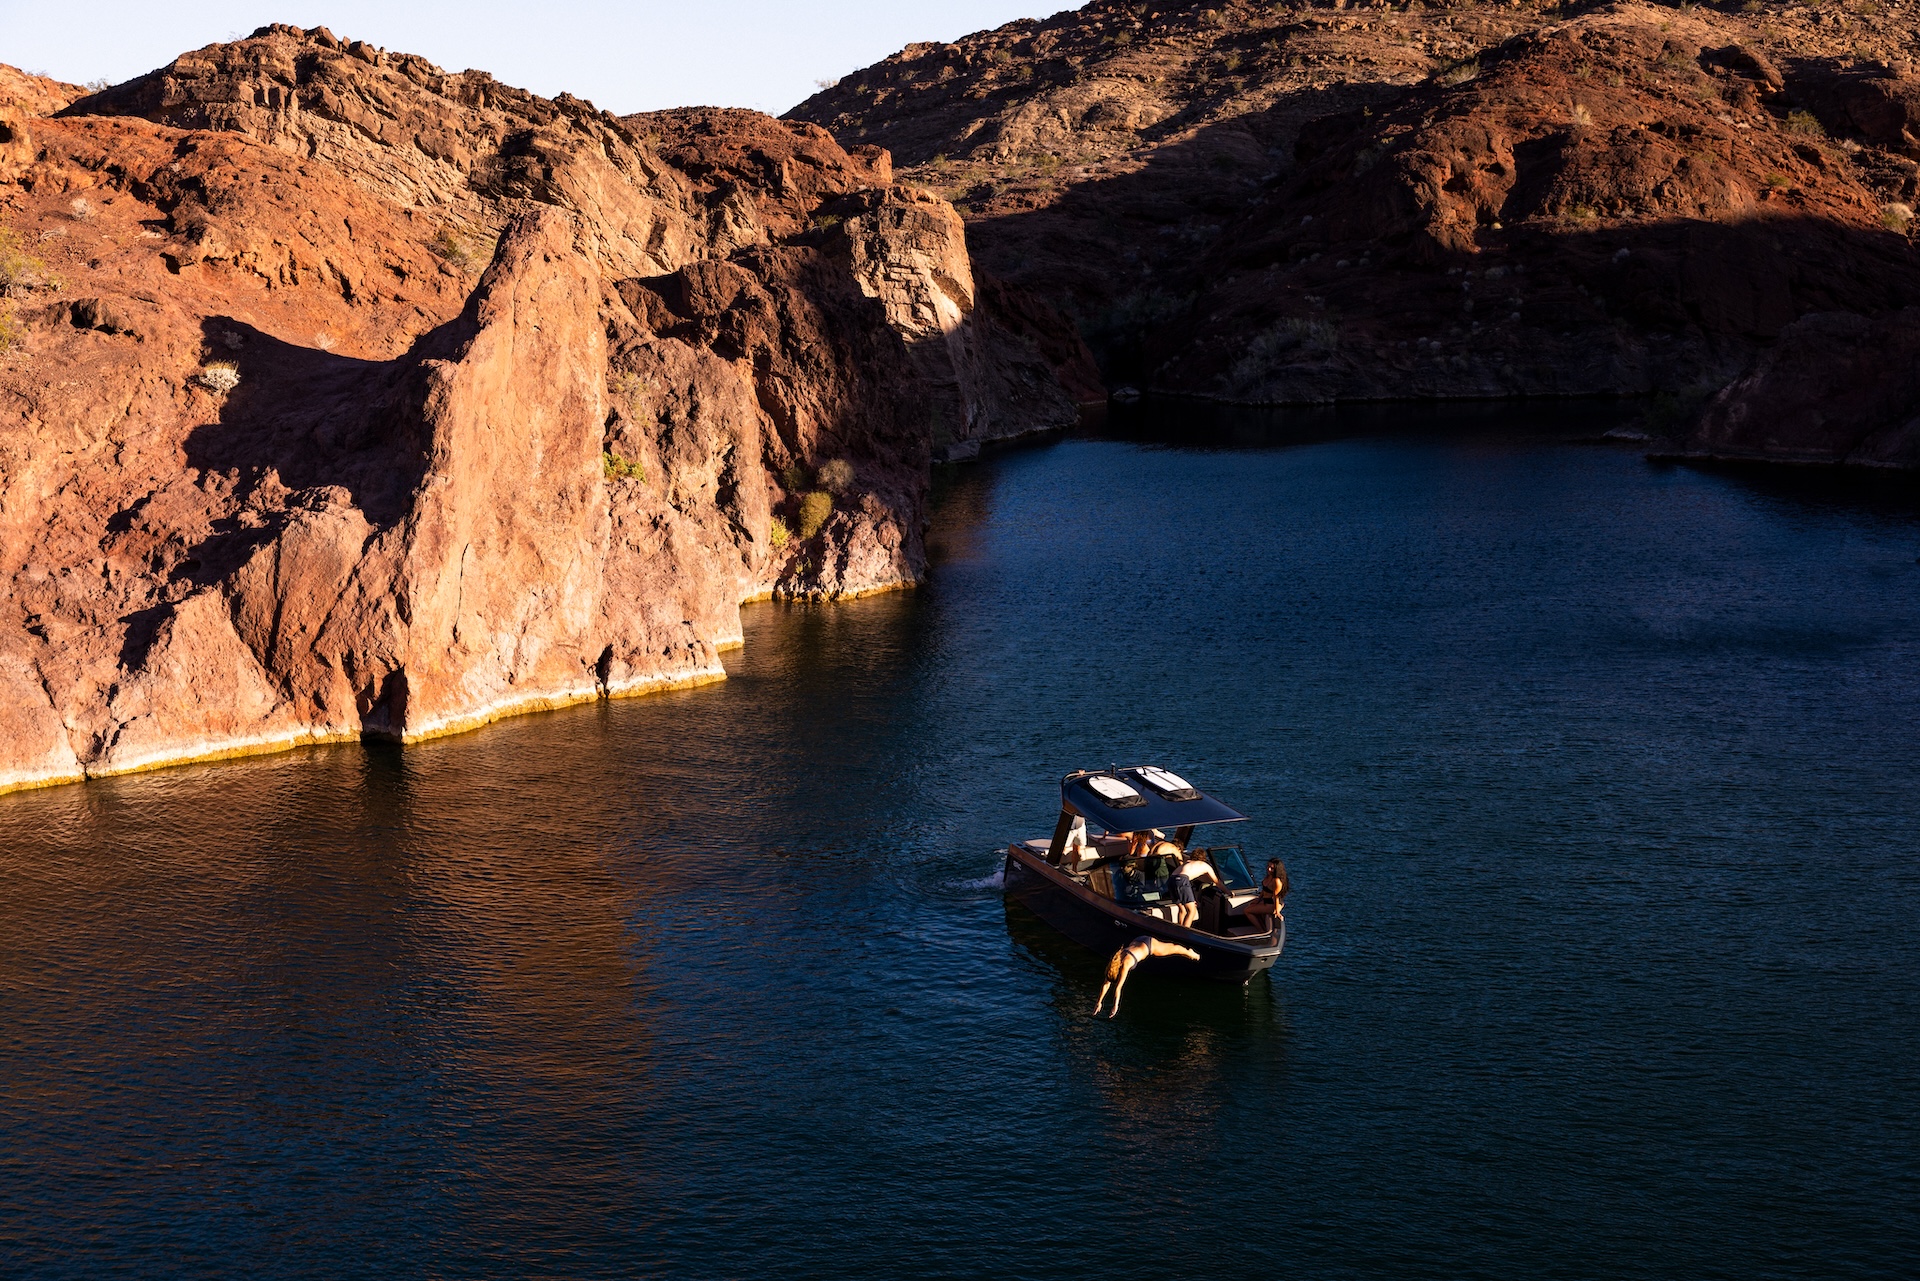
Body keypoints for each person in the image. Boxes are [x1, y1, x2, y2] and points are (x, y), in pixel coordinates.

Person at [1092, 935, 1202, 1018]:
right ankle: (1189, 953)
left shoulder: (1126, 964)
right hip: (1139, 939)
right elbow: (1106, 984)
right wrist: (1099, 1002)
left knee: (1174, 949)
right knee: (1171, 947)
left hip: (1150, 946)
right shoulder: (1114, 964)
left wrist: (1115, 1006)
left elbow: (1118, 988)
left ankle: (1191, 953)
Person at [1243, 858, 1289, 932]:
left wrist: (1277, 911)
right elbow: (1264, 890)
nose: (1269, 869)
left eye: (1272, 868)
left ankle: (1261, 931)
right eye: (1268, 866)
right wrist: (1258, 899)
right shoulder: (1268, 876)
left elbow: (1276, 896)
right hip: (1265, 900)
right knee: (1250, 905)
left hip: (1271, 904)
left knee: (1247, 911)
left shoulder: (1276, 881)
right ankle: (1261, 927)